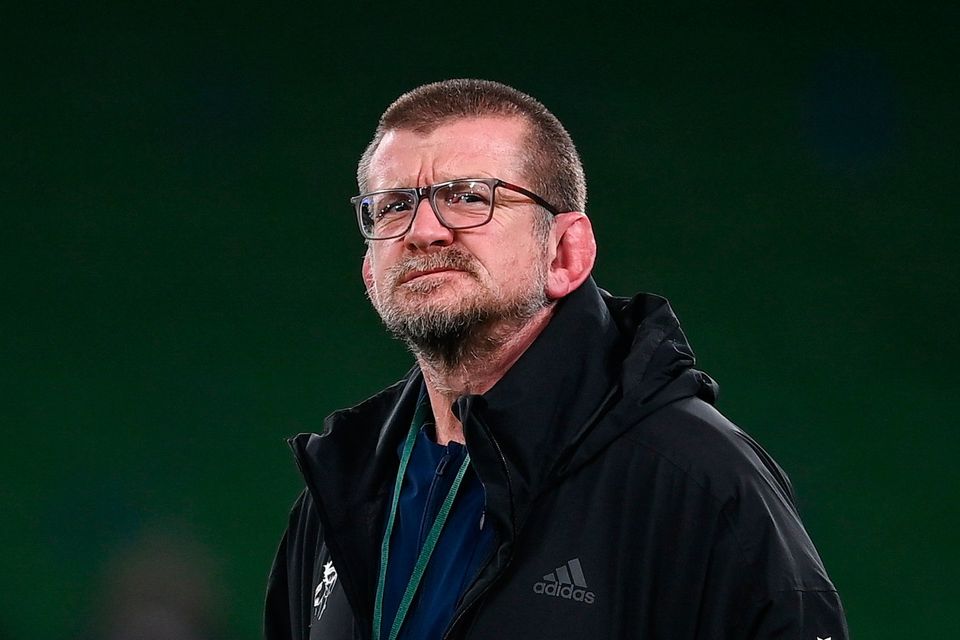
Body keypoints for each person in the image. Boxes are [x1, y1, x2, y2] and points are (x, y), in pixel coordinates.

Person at [264, 79, 849, 640]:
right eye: (392, 207)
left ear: (566, 251)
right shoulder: (340, 492)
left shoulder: (698, 481)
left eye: (469, 197)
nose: (423, 231)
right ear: (370, 269)